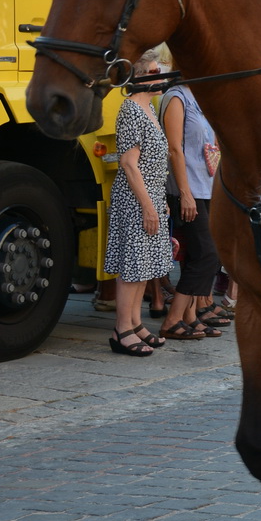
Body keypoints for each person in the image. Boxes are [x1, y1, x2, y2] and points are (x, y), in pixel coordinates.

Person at [105, 51, 172, 356]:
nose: (161, 76)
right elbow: (129, 164)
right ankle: (122, 330)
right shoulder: (130, 109)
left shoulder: (151, 108)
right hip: (135, 198)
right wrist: (148, 205)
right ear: (140, 76)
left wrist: (159, 201)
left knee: (145, 266)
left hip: (151, 195)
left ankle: (135, 323)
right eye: (156, 71)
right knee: (132, 267)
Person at [157, 58, 224, 341]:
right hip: (188, 190)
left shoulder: (200, 96)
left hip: (206, 187)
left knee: (200, 254)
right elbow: (174, 149)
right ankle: (172, 319)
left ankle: (189, 316)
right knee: (207, 254)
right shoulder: (175, 97)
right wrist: (184, 193)